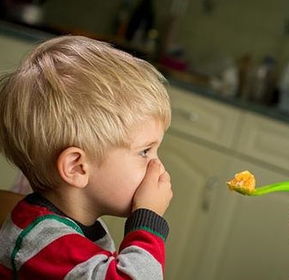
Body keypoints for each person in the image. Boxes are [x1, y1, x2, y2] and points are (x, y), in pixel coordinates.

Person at [0, 35, 173, 279]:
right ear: (77, 167)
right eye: (144, 151)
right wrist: (148, 221)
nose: (157, 166)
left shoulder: (67, 228)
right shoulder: (43, 242)